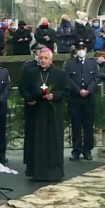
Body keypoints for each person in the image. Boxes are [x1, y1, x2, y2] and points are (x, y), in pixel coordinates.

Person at [19, 48, 71, 181]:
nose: (43, 60)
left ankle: (53, 172)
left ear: (51, 59)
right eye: (41, 58)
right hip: (35, 112)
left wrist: (54, 95)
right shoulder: (30, 73)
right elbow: (22, 89)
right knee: (35, 141)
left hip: (52, 113)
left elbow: (66, 90)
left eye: (45, 58)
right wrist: (29, 99)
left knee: (52, 141)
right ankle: (35, 171)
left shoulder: (60, 73)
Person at [65, 42, 99, 161]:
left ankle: (87, 150)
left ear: (86, 49)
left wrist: (88, 90)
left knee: (88, 125)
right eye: (78, 49)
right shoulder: (70, 63)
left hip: (89, 98)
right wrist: (78, 90)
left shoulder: (92, 62)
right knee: (76, 125)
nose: (81, 50)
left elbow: (96, 78)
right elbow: (68, 79)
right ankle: (76, 149)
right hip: (75, 98)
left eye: (82, 48)